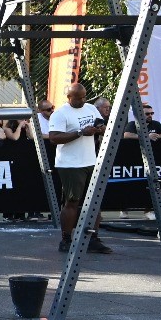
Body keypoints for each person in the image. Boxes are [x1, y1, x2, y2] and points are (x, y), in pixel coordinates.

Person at [47, 80, 112, 254]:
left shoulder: (90, 108)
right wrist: (80, 133)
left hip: (90, 160)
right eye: (78, 98)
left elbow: (99, 123)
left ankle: (92, 239)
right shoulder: (60, 114)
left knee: (95, 201)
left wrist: (100, 128)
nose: (82, 100)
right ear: (69, 97)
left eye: (84, 97)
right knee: (72, 202)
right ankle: (66, 239)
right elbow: (54, 138)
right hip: (70, 164)